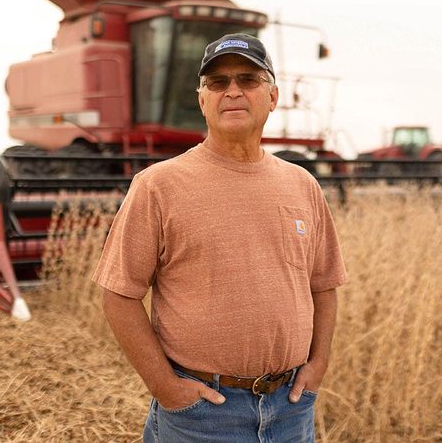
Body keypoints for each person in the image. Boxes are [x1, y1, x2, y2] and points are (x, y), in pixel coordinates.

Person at [93, 33, 347, 442]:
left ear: (272, 96)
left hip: (290, 410)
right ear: (202, 100)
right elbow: (118, 294)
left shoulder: (302, 185)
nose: (232, 91)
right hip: (201, 415)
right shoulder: (159, 185)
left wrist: (318, 364)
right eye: (217, 82)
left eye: (248, 80)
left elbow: (324, 285)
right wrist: (166, 388)